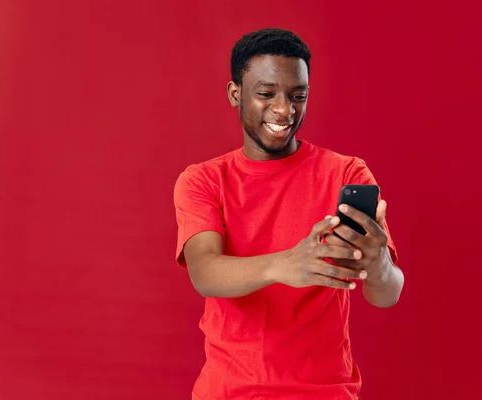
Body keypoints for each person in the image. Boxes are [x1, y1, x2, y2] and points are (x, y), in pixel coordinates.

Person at [173, 27, 404, 400]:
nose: (285, 110)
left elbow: (386, 294)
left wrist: (377, 263)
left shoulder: (347, 174)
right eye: (266, 94)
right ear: (236, 94)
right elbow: (205, 273)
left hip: (326, 393)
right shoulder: (203, 180)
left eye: (298, 95)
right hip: (230, 392)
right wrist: (287, 264)